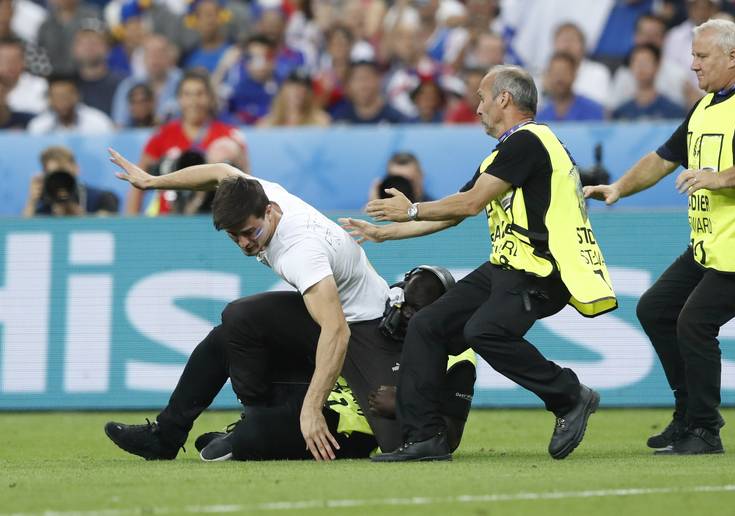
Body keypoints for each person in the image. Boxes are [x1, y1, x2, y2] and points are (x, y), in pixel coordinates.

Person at [104, 149, 472, 461]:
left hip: (364, 327)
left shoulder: (300, 251)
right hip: (337, 313)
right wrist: (153, 182)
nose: (245, 244)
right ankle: (168, 435)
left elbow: (337, 331)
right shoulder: (256, 194)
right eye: (235, 236)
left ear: (270, 211)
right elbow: (219, 172)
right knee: (235, 322)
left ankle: (287, 422)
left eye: (250, 232)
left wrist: (311, 410)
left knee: (398, 438)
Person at [343, 64, 617, 462]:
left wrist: (412, 209)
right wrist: (386, 233)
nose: (477, 108)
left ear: (504, 98)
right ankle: (426, 437)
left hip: (539, 269)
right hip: (508, 266)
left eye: (482, 98)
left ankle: (570, 395)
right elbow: (454, 212)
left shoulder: (529, 141)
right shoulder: (509, 150)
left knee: (483, 331)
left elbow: (470, 204)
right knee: (427, 324)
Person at [585, 19, 735, 455]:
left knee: (695, 322)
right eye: (692, 56)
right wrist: (619, 188)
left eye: (702, 56)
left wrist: (719, 178)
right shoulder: (705, 107)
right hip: (715, 244)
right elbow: (664, 158)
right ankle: (688, 415)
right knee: (655, 309)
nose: (693, 65)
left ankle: (705, 429)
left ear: (732, 57)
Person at [125, 70, 245, 215]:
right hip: (168, 218)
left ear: (210, 98)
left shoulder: (229, 136)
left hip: (214, 218)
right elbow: (139, 180)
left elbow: (247, 184)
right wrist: (131, 221)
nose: (193, 101)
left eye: (200, 94)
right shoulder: (161, 135)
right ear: (179, 98)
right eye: (187, 94)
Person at [22, 145, 119, 217]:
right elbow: (24, 233)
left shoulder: (102, 198)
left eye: (64, 174)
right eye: (55, 175)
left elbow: (107, 227)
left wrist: (80, 216)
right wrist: (31, 202)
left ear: (77, 168)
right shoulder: (44, 204)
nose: (60, 181)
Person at [26, 74, 114, 134]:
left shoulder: (98, 122)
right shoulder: (38, 126)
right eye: (56, 97)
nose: (61, 102)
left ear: (77, 96)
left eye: (65, 96)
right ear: (49, 99)